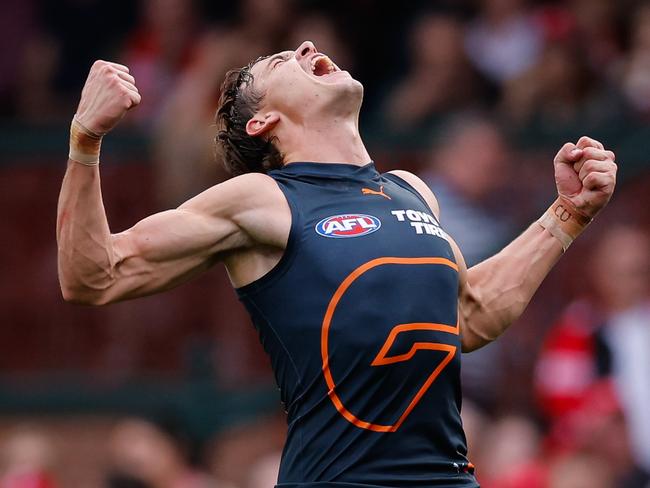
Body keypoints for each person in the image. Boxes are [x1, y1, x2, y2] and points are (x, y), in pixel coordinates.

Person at [56, 41, 617, 487]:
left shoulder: (411, 191)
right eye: (279, 62)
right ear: (264, 122)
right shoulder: (259, 198)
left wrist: (568, 213)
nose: (305, 47)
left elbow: (469, 317)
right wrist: (86, 138)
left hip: (445, 480)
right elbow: (93, 276)